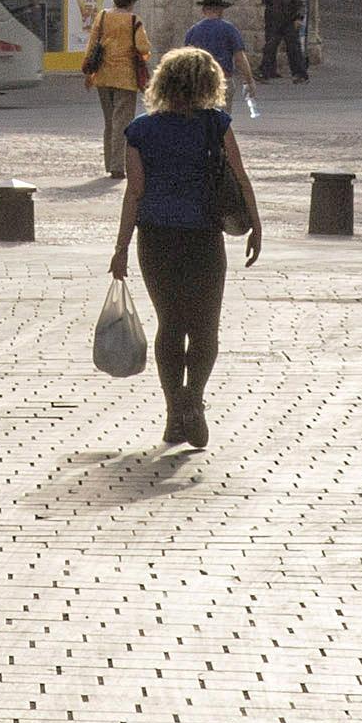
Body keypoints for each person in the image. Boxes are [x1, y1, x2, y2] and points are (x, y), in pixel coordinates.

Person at [110, 42, 260, 449]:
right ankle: (194, 399)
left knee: (171, 326)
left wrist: (121, 248)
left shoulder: (140, 130)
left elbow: (134, 193)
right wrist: (256, 226)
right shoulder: (216, 124)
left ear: (164, 82)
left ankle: (175, 411)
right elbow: (240, 177)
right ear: (208, 83)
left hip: (156, 238)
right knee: (205, 327)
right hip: (203, 237)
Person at [82, 0, 154, 172]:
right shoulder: (134, 20)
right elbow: (144, 48)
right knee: (122, 122)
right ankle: (117, 166)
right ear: (131, 3)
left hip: (103, 76)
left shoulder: (103, 16)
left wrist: (89, 72)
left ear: (115, 0)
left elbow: (92, 44)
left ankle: (109, 162)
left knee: (109, 122)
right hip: (125, 78)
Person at [188, 0, 256, 122]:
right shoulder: (229, 29)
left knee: (200, 120)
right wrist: (249, 80)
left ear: (204, 10)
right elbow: (239, 57)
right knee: (221, 121)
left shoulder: (193, 31)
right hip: (223, 79)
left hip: (199, 81)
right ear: (221, 10)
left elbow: (186, 60)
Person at [255, 0, 310, 81]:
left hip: (290, 20)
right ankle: (265, 72)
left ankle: (300, 74)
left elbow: (300, 3)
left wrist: (299, 18)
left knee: (293, 48)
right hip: (275, 21)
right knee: (270, 47)